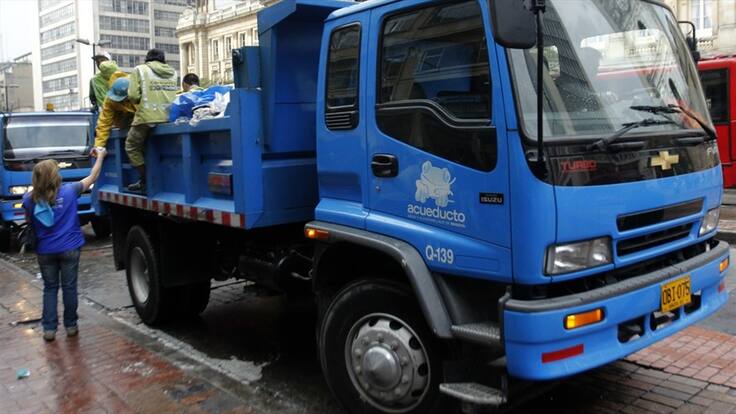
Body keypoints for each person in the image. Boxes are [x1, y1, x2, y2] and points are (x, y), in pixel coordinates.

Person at [23, 151, 107, 342]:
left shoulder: (29, 200)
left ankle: (49, 329)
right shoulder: (70, 191)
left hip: (45, 250)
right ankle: (71, 326)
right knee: (69, 287)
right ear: (55, 176)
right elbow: (93, 177)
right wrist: (100, 156)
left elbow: (29, 222)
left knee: (50, 288)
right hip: (70, 247)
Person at [126, 48, 178, 191]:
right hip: (169, 118)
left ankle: (145, 179)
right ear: (163, 59)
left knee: (131, 146)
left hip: (147, 117)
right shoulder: (173, 72)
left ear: (147, 59)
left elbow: (133, 96)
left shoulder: (140, 69)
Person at [92, 72, 137, 153]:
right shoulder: (110, 100)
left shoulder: (139, 91)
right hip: (125, 122)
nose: (120, 101)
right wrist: (99, 145)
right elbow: (104, 122)